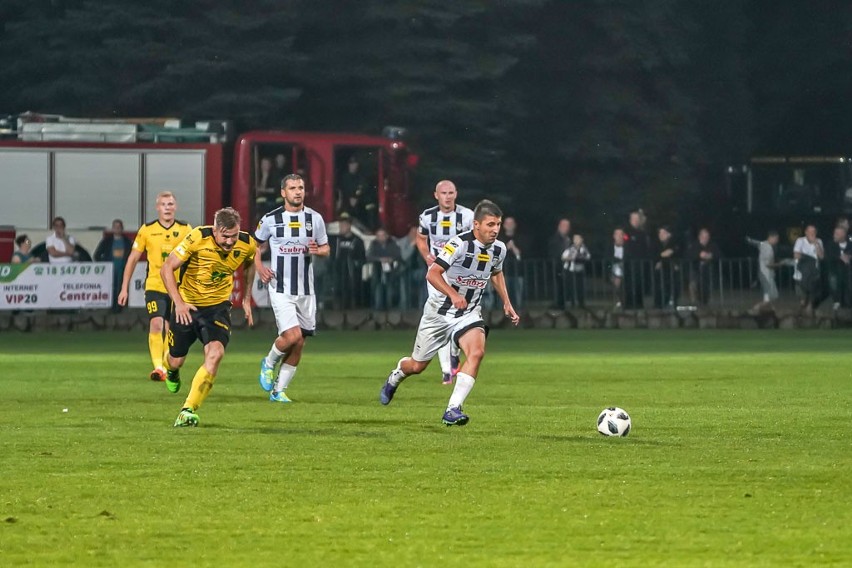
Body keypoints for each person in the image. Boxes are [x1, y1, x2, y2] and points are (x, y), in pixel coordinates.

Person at [379, 199, 520, 426]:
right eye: (490, 225)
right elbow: (433, 274)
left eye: (498, 225)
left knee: (476, 352)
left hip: (469, 312)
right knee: (417, 366)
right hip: (439, 313)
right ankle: (396, 375)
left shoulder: (499, 249)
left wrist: (507, 302)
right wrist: (453, 295)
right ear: (476, 224)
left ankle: (453, 408)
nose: (495, 230)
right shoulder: (458, 244)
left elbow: (496, 273)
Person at [161, 207, 257, 427]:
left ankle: (188, 410)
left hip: (217, 309)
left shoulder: (246, 242)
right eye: (225, 236)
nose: (231, 241)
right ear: (215, 230)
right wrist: (179, 303)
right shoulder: (197, 237)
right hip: (187, 306)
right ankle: (171, 371)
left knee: (215, 354)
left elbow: (252, 259)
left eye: (234, 236)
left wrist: (246, 297)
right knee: (176, 360)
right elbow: (167, 268)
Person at [255, 174, 330, 403]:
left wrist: (318, 250)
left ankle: (278, 391)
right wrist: (260, 268)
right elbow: (255, 247)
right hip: (281, 287)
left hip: (306, 290)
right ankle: (268, 362)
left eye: (301, 188)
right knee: (292, 335)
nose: (298, 192)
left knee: (299, 343)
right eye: (293, 188)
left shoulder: (314, 218)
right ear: (283, 193)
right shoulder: (270, 219)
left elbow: (326, 248)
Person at [118, 192, 193, 381]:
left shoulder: (185, 229)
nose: (167, 207)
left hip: (176, 288)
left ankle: (167, 366)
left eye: (170, 204)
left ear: (175, 207)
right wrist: (124, 288)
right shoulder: (147, 230)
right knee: (156, 323)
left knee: (171, 328)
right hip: (155, 286)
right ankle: (158, 368)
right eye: (163, 204)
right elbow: (133, 258)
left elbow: (194, 257)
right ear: (157, 208)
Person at [416, 180, 475, 385]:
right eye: (444, 193)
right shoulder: (428, 216)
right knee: (441, 318)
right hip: (437, 275)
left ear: (456, 194)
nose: (447, 196)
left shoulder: (467, 216)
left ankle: (454, 351)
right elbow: (420, 239)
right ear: (436, 195)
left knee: (459, 318)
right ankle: (447, 370)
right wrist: (426, 256)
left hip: (461, 276)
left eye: (451, 193)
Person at [94, 219, 133, 313]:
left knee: (121, 288)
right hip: (109, 271)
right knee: (111, 289)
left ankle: (120, 308)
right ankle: (111, 307)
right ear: (112, 229)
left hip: (123, 269)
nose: (117, 229)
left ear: (122, 228)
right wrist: (105, 263)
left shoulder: (127, 242)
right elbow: (97, 255)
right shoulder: (107, 241)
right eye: (115, 227)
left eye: (119, 227)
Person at [331, 213, 366, 309]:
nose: (341, 227)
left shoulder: (358, 241)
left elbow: (362, 258)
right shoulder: (335, 239)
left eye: (343, 225)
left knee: (351, 292)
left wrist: (355, 263)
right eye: (340, 225)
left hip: (352, 273)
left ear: (349, 226)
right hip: (338, 272)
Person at [367, 227, 402, 310]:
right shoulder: (374, 244)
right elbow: (369, 256)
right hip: (377, 269)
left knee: (390, 287)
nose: (381, 237)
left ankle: (389, 306)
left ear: (386, 236)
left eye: (382, 235)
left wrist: (391, 259)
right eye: (379, 235)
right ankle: (378, 307)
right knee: (378, 287)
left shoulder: (392, 243)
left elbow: (398, 255)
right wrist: (380, 259)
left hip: (390, 269)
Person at [746, 230, 781, 313]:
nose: (777, 241)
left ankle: (770, 310)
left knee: (772, 296)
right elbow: (768, 264)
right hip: (766, 274)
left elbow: (757, 243)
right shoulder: (768, 248)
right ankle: (754, 309)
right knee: (769, 297)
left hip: (765, 274)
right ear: (772, 238)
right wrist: (779, 264)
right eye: (776, 239)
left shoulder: (764, 244)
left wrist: (749, 240)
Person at [793, 224, 824, 315]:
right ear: (806, 232)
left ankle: (810, 315)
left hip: (814, 274)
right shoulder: (800, 241)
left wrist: (816, 244)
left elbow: (821, 256)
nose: (812, 233)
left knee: (812, 296)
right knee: (803, 299)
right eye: (810, 231)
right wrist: (809, 258)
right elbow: (796, 255)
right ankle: (800, 314)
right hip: (801, 274)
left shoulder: (819, 241)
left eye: (814, 231)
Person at [686, 228, 721, 306]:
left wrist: (711, 256)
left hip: (707, 270)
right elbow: (688, 255)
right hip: (695, 269)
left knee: (706, 286)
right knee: (693, 284)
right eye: (703, 237)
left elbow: (719, 255)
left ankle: (705, 301)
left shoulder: (712, 245)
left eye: (707, 237)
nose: (705, 239)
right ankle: (694, 301)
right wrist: (699, 255)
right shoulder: (694, 245)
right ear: (699, 237)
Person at [499, 216, 527, 311]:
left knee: (518, 296)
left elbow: (521, 254)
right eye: (507, 224)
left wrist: (513, 247)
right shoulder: (499, 239)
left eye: (511, 224)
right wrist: (506, 247)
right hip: (504, 272)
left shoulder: (520, 238)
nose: (509, 226)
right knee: (504, 296)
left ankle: (519, 313)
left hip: (518, 272)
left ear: (514, 225)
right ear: (504, 226)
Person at [623, 211, 650, 309]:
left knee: (639, 284)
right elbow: (627, 247)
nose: (635, 221)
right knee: (630, 284)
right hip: (630, 264)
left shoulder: (643, 233)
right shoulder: (626, 232)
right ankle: (629, 304)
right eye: (633, 219)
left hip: (640, 263)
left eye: (636, 219)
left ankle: (639, 304)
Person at [653, 226, 680, 309]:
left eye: (663, 233)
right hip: (660, 271)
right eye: (660, 233)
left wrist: (668, 255)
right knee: (659, 286)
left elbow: (675, 253)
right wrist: (661, 256)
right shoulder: (656, 244)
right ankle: (659, 304)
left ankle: (672, 302)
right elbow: (654, 255)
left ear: (669, 234)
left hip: (671, 270)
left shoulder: (674, 243)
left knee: (672, 286)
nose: (661, 235)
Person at [824, 225, 850, 310]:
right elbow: (827, 256)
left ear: (843, 235)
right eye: (834, 233)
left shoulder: (850, 244)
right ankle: (837, 301)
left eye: (837, 234)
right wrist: (839, 257)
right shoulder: (830, 244)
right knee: (834, 284)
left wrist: (849, 257)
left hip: (848, 271)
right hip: (834, 270)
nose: (834, 235)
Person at [547, 218, 571, 309]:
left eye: (568, 226)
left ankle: (563, 303)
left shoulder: (568, 239)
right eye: (564, 226)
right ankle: (558, 304)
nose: (566, 228)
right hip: (557, 266)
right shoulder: (555, 239)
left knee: (565, 285)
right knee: (558, 286)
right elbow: (553, 252)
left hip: (566, 267)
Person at [562, 233, 590, 308]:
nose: (576, 240)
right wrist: (570, 258)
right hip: (570, 270)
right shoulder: (570, 249)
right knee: (571, 286)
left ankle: (581, 302)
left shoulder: (584, 249)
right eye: (575, 239)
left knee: (580, 286)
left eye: (578, 238)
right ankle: (571, 302)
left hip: (580, 270)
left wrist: (580, 258)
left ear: (581, 240)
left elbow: (587, 256)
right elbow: (563, 257)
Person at [609, 228, 625, 308]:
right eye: (617, 234)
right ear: (614, 236)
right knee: (616, 280)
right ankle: (618, 299)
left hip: (625, 268)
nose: (619, 236)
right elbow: (608, 259)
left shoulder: (627, 247)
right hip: (614, 269)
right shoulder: (610, 247)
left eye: (620, 234)